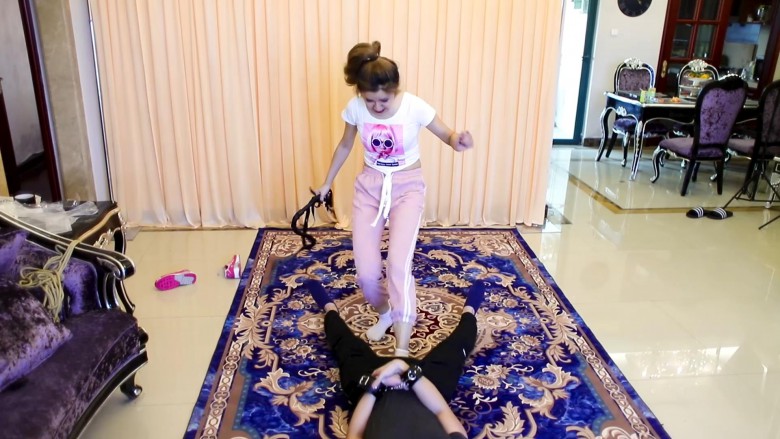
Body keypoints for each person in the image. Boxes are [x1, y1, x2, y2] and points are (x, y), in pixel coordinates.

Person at [314, 41, 474, 356]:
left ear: (395, 90)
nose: (376, 107)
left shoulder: (414, 106)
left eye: (383, 100)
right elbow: (345, 145)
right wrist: (326, 183)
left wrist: (459, 141)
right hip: (370, 188)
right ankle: (386, 312)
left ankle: (402, 347)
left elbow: (447, 135)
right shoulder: (355, 108)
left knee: (398, 266)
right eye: (369, 100)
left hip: (407, 188)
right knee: (366, 273)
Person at [300, 279, 486, 439]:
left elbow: (355, 433)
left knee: (346, 348)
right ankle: (469, 312)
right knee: (456, 348)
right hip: (428, 385)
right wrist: (407, 372)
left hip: (373, 387)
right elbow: (441, 410)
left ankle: (330, 309)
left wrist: (375, 386)